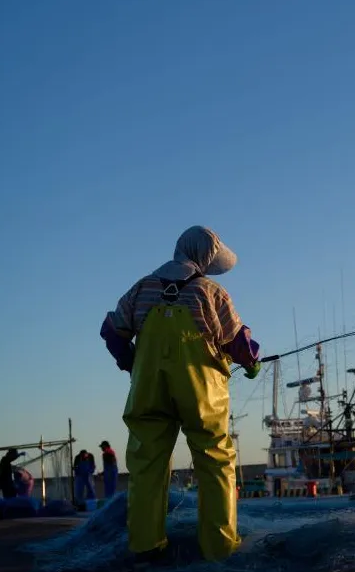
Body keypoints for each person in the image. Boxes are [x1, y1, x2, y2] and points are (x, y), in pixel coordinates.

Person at [100, 225, 262, 565]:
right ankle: (220, 549)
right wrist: (251, 364)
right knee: (214, 459)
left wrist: (130, 362)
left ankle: (145, 545)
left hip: (148, 389)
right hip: (201, 392)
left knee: (146, 464)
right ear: (204, 257)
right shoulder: (211, 291)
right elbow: (239, 342)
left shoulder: (141, 287)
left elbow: (112, 330)